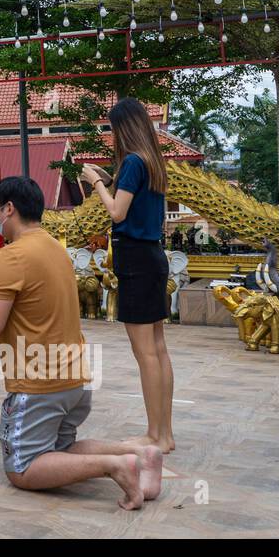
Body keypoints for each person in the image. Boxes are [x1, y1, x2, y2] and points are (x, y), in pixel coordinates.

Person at [0, 176, 162, 510]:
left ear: (9, 208)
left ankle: (114, 466)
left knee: (22, 468)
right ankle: (140, 455)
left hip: (40, 383)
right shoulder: (56, 248)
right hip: (76, 379)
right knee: (60, 450)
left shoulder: (10, 257)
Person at [81, 97, 175, 453]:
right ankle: (165, 434)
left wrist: (95, 182)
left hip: (135, 260)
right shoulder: (151, 162)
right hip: (153, 257)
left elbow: (118, 213)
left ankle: (155, 435)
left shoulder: (133, 162)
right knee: (159, 349)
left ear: (123, 127)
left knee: (145, 353)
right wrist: (111, 178)